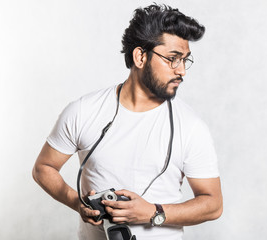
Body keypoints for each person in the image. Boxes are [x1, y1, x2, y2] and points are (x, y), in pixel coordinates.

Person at [33, 3, 223, 240]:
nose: (182, 70)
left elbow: (213, 204)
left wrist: (153, 213)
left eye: (185, 60)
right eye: (173, 59)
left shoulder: (191, 127)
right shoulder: (83, 111)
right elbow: (44, 168)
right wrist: (77, 203)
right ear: (140, 56)